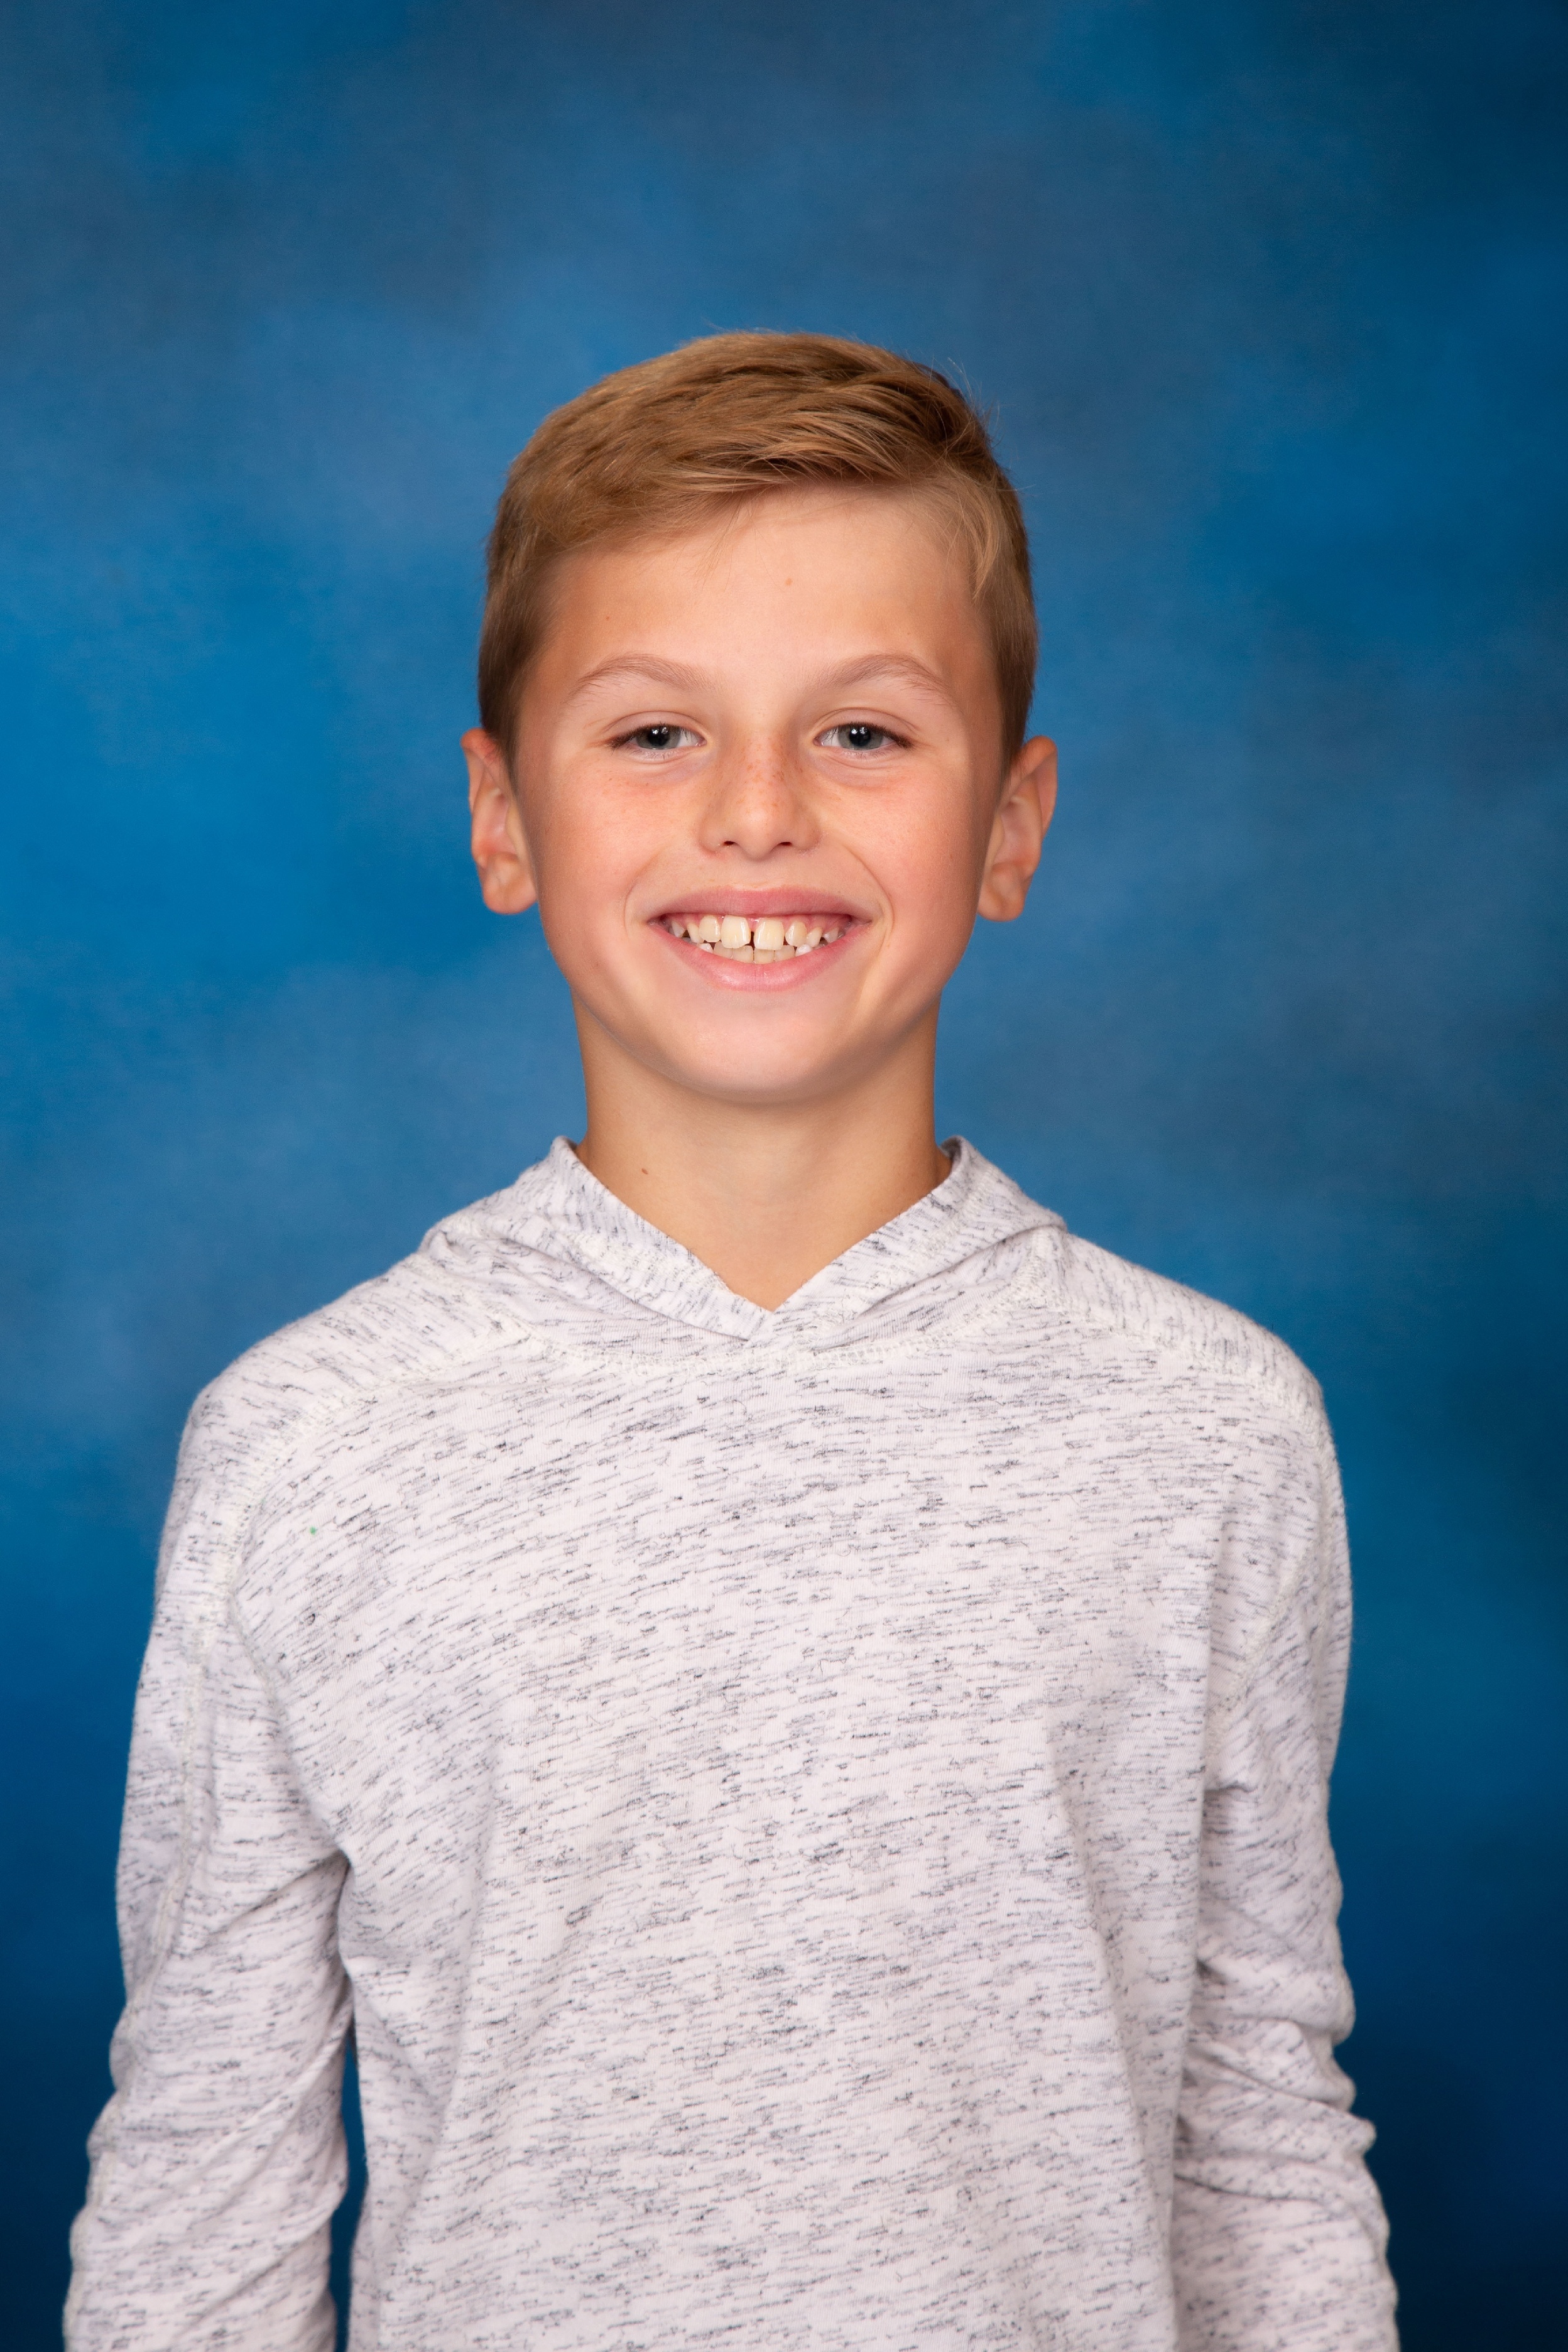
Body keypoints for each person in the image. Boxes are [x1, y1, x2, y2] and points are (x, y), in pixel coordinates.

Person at [66, 332, 1396, 2351]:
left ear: (1012, 824)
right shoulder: (316, 1441)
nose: (757, 814)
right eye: (654, 733)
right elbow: (202, 2191)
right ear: (502, 817)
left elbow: (1258, 2144)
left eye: (863, 733)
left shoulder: (1211, 1429)